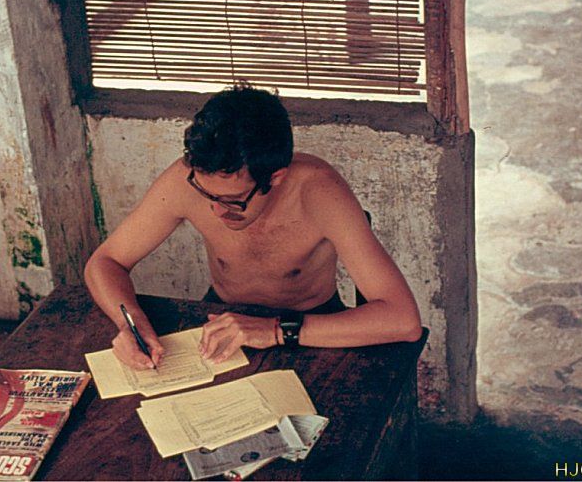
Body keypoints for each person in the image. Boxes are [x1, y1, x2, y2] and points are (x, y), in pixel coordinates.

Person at [84, 82, 423, 370]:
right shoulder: (184, 180)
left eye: (233, 200)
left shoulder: (320, 192)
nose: (216, 210)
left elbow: (403, 320)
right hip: (220, 318)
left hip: (308, 324)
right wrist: (131, 323)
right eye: (207, 195)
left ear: (275, 178)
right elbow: (106, 261)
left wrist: (274, 330)